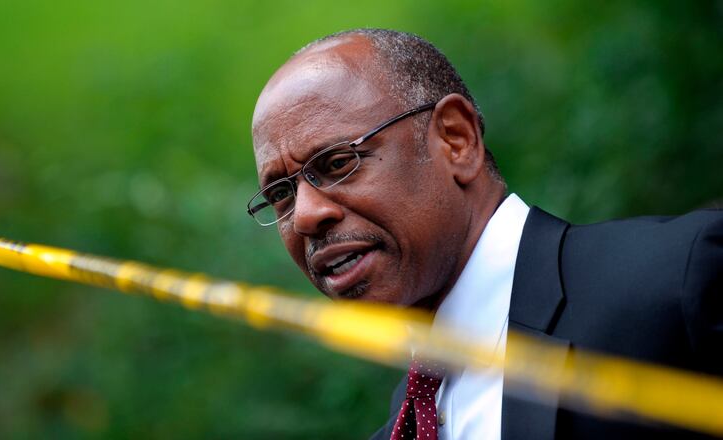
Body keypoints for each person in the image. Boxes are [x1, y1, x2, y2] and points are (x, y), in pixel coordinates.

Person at [247, 28, 722, 440]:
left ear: (457, 139)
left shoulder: (676, 281)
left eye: (336, 163)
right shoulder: (401, 427)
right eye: (282, 194)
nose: (307, 215)